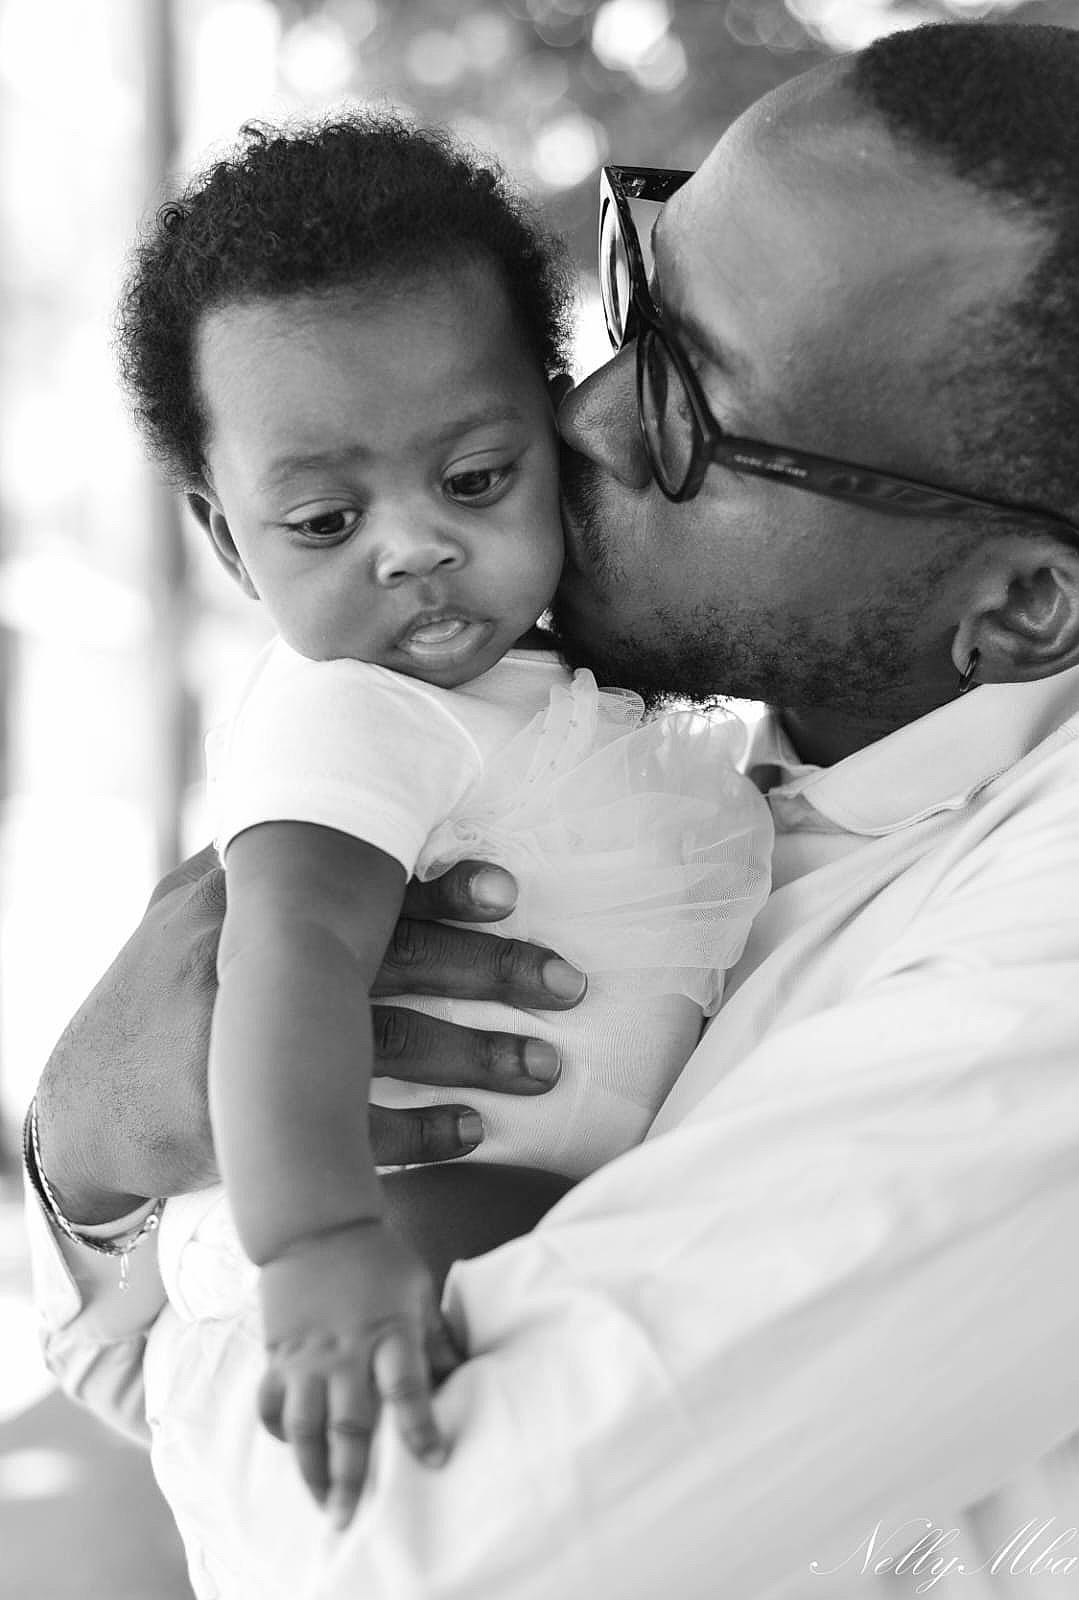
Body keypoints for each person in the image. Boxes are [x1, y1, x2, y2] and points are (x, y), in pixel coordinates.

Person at [25, 19, 1079, 1600]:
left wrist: (219, 1257)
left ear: (1019, 610)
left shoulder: (1036, 970)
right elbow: (128, 1357)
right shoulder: (685, 772)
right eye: (635, 298)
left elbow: (386, 1548)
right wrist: (84, 1158)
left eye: (691, 408)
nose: (577, 421)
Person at [93, 113, 771, 1532]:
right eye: (326, 524)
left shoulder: (567, 683)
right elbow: (288, 960)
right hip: (373, 1225)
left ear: (556, 427)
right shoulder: (350, 710)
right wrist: (323, 1244)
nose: (414, 546)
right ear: (228, 540)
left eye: (472, 480)